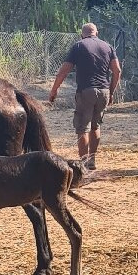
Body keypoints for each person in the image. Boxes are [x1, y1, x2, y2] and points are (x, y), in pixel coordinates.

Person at [48, 23, 121, 169]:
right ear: (96, 33)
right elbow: (117, 71)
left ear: (82, 34)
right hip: (103, 91)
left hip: (86, 91)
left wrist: (54, 90)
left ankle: (82, 163)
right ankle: (92, 160)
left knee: (82, 128)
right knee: (95, 126)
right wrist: (111, 92)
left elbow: (64, 71)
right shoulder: (108, 47)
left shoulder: (78, 46)